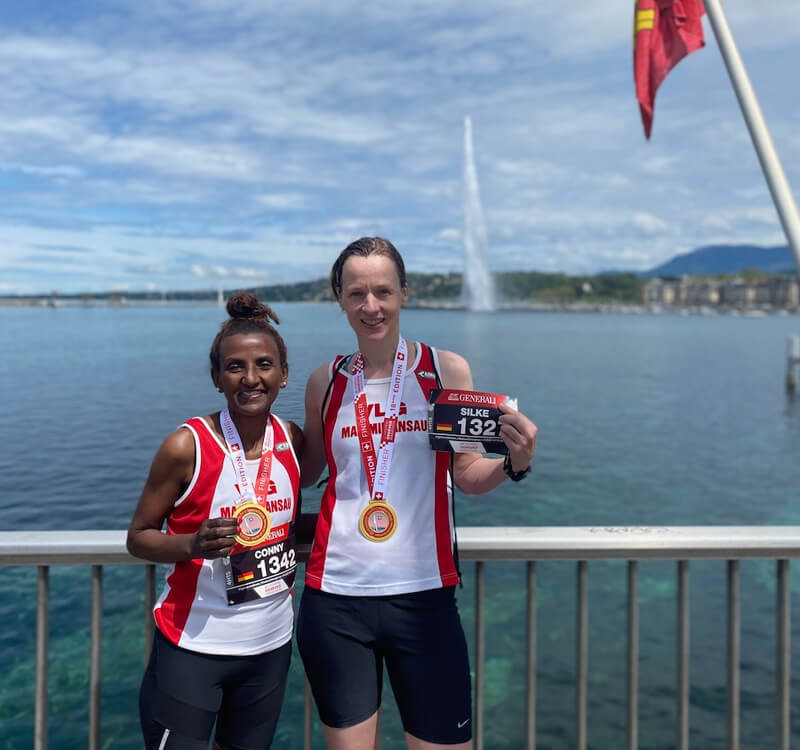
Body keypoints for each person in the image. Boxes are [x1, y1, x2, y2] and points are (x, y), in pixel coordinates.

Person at [296, 237, 538, 750]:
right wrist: (239, 442)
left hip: (425, 597)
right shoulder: (326, 382)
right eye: (356, 293)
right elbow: (303, 470)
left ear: (404, 293)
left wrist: (513, 464)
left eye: (383, 291)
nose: (371, 306)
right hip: (336, 599)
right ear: (339, 299)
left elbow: (466, 474)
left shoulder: (445, 371)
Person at [127, 292, 312, 750]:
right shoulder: (186, 445)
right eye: (234, 367)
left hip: (270, 647)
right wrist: (191, 545)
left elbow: (290, 521)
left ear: (284, 374)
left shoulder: (292, 440)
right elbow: (139, 538)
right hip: (193, 648)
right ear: (216, 378)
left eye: (264, 365)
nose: (250, 378)